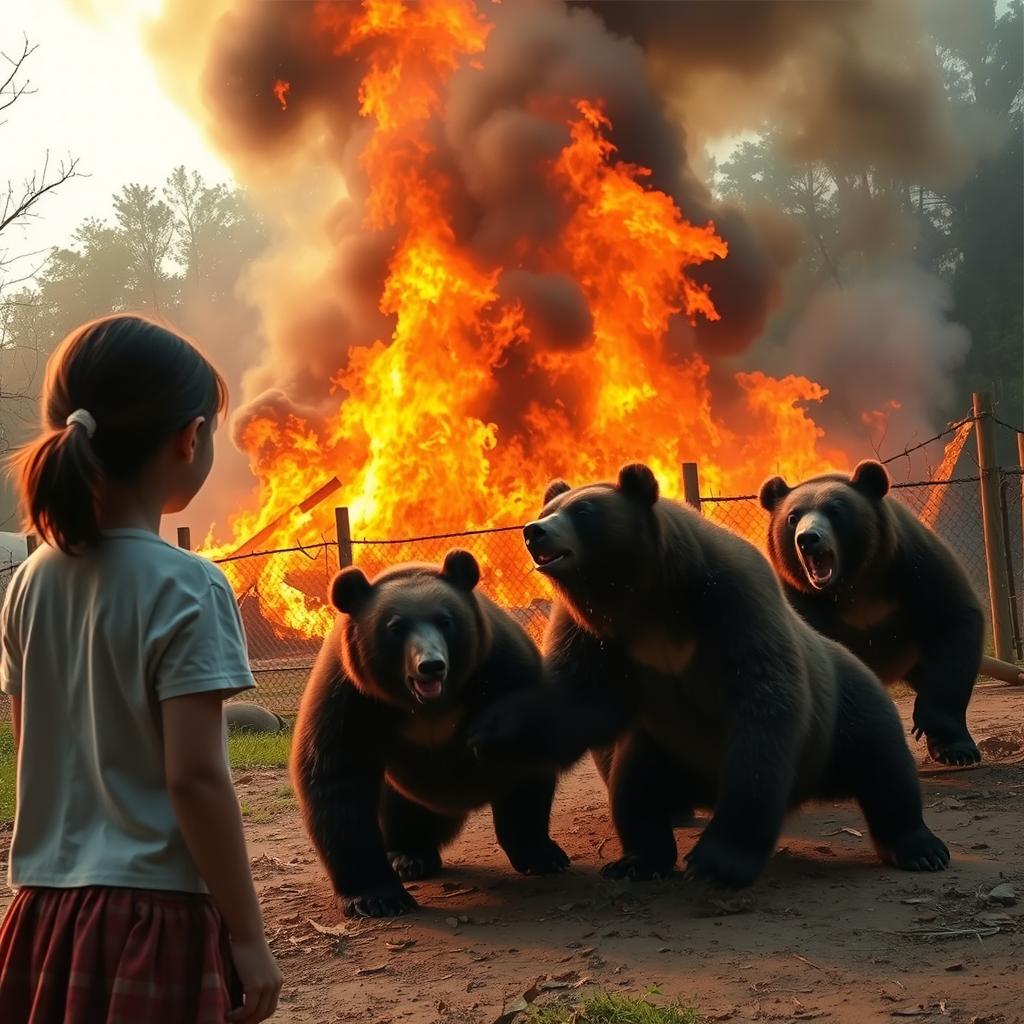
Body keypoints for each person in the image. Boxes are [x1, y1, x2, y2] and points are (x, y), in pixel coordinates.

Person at [0, 314, 282, 1023]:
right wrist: (248, 936)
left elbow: (33, 745)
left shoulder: (29, 582)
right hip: (153, 920)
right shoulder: (190, 585)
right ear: (190, 438)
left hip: (43, 912)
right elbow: (195, 778)